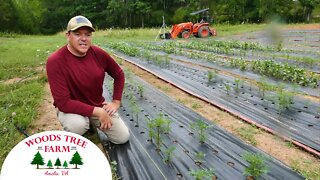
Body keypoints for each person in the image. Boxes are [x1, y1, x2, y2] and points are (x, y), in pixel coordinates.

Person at [46, 15, 129, 144]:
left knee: (122, 138)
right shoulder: (55, 61)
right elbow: (63, 102)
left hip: (96, 104)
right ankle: (86, 125)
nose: (84, 39)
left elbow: (119, 74)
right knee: (77, 126)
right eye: (78, 34)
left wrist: (116, 101)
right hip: (72, 109)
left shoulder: (98, 54)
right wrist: (99, 112)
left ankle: (90, 121)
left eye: (88, 34)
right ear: (68, 35)